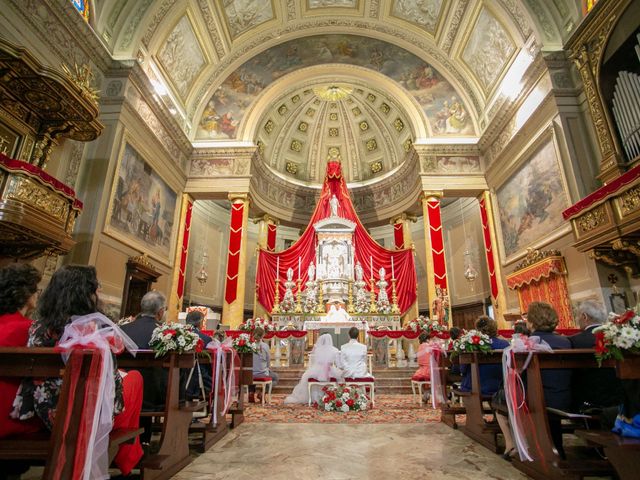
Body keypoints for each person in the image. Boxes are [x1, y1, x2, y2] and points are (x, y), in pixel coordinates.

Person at [11, 265, 143, 476]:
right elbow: (114, 397)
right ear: (87, 295)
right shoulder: (94, 329)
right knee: (134, 379)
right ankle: (128, 455)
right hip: (84, 414)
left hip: (43, 413)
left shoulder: (36, 328)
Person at [570, 300, 623, 417]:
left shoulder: (574, 341)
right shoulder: (620, 337)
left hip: (587, 399)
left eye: (578, 316)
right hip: (620, 397)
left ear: (584, 316)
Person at [120, 290, 169, 411]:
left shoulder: (121, 330)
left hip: (120, 389)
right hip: (153, 395)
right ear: (160, 312)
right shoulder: (165, 333)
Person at [284, 334, 343, 404]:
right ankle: (333, 397)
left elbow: (315, 361)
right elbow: (339, 364)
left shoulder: (317, 349)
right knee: (341, 377)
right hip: (330, 370)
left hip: (317, 370)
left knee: (306, 377)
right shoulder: (335, 350)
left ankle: (315, 397)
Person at [459, 316, 508, 395]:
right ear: (495, 328)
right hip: (500, 388)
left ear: (478, 330)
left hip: (474, 388)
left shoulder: (472, 345)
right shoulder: (505, 344)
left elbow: (463, 370)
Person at [185, 311, 213, 401]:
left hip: (179, 380)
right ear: (200, 322)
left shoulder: (178, 336)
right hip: (200, 381)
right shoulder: (206, 339)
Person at [250, 327, 279, 403]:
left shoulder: (250, 346)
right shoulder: (265, 346)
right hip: (262, 373)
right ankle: (262, 393)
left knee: (253, 371)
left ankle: (251, 392)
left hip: (251, 373)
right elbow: (268, 361)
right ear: (263, 335)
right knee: (275, 377)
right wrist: (268, 369)